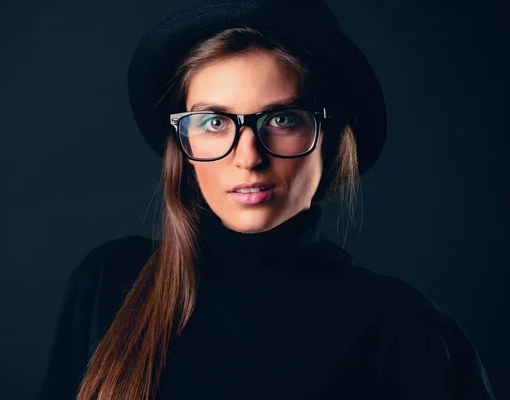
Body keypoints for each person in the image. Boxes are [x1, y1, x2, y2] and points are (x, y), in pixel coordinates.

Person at [38, 0, 497, 399]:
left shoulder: (403, 329)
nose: (248, 157)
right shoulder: (108, 286)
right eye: (214, 123)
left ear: (329, 137)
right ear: (184, 147)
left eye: (280, 119)